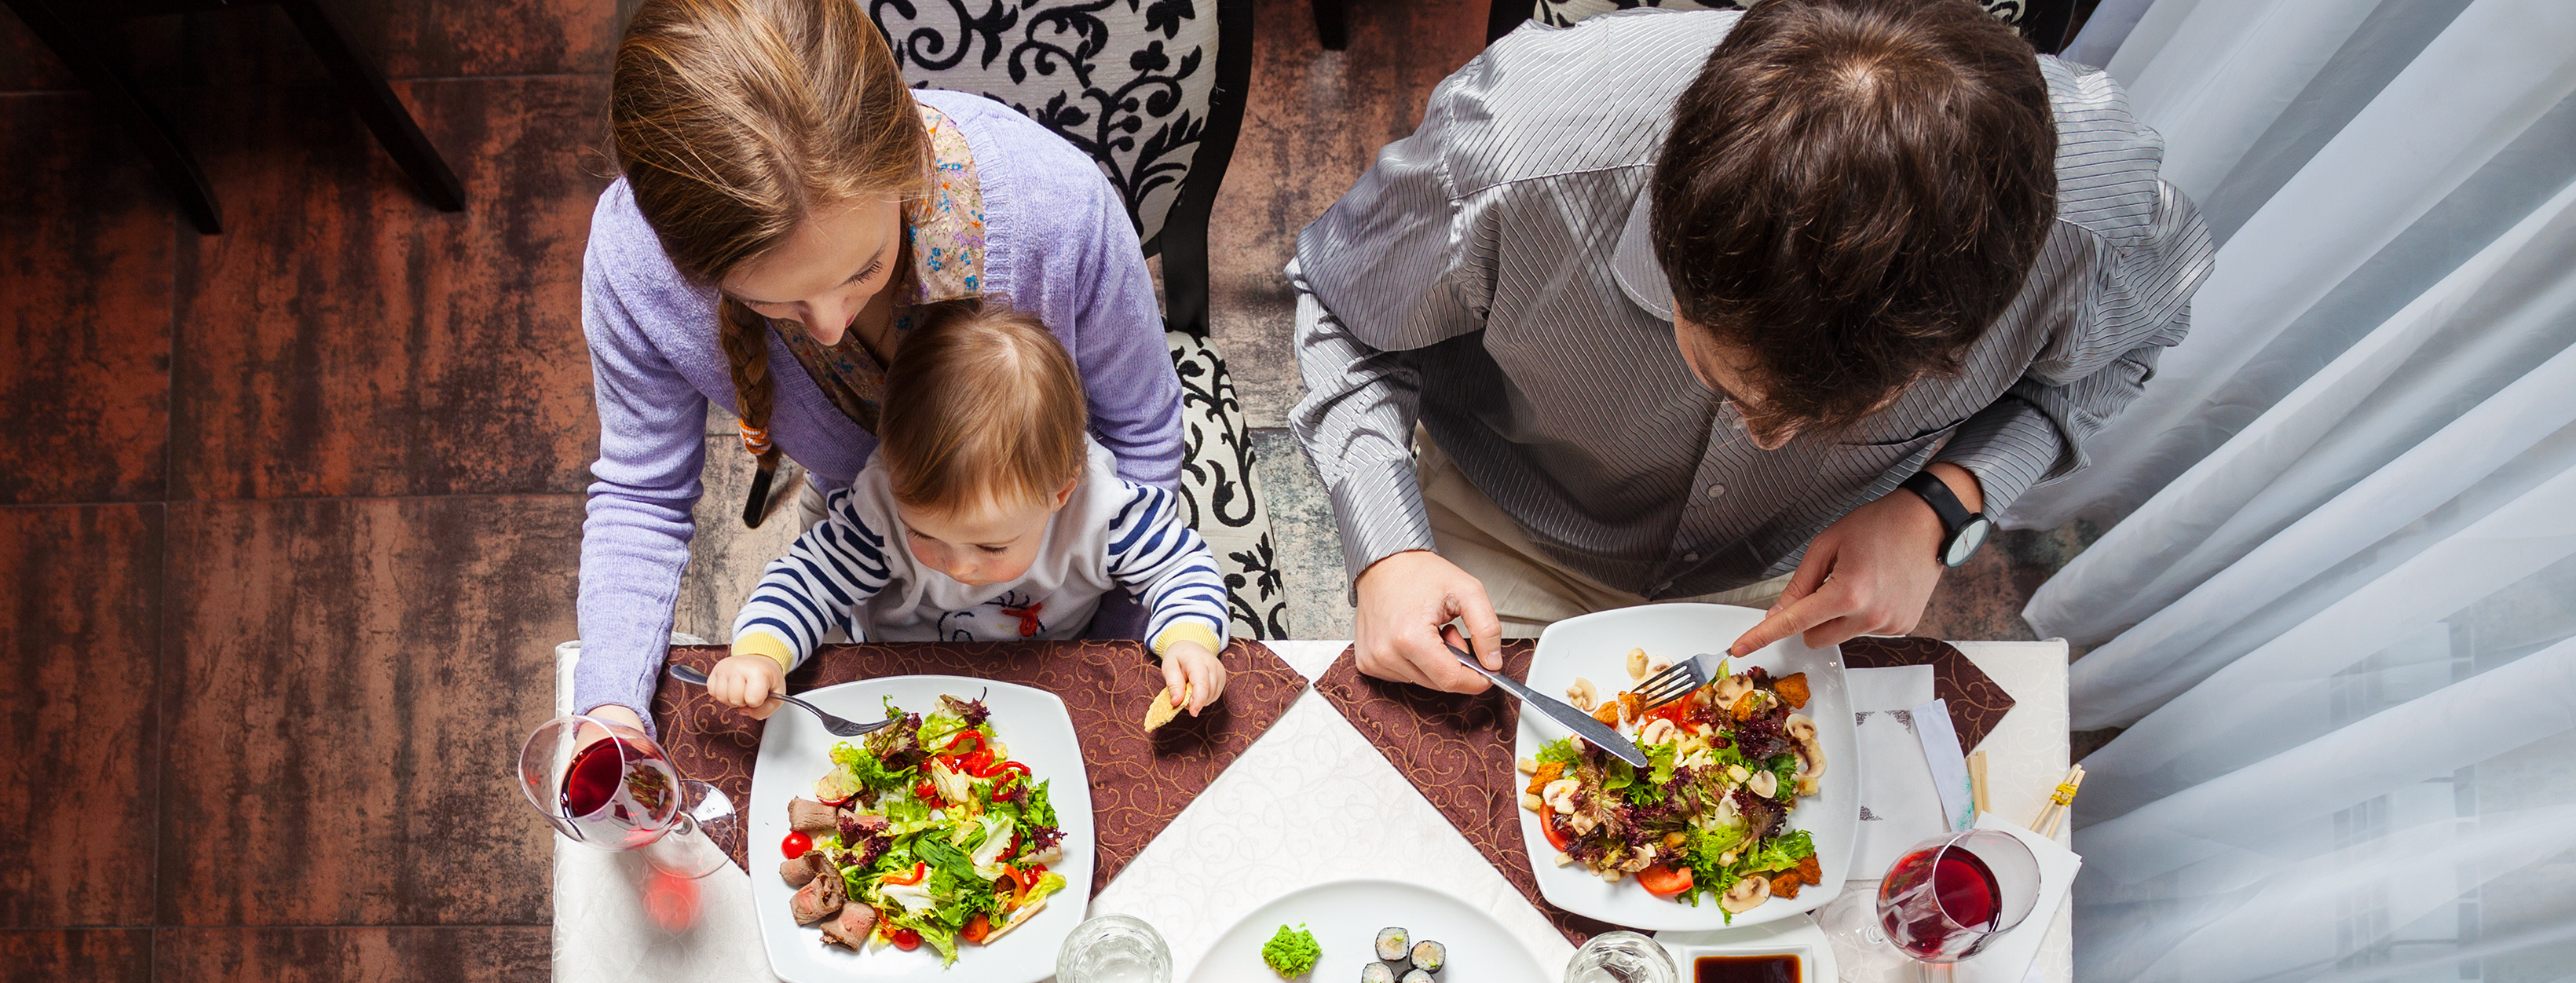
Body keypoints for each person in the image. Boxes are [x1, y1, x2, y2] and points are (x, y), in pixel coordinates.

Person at [1290, 0, 2213, 693]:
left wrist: (1941, 503)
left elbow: (2113, 362)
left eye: (1843, 417)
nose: (1771, 440)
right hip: (1504, 530)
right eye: (1724, 377)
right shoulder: (1515, 152)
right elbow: (1341, 312)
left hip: (1800, 578)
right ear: (1670, 237)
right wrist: (1388, 552)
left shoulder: (2098, 223)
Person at [576, 0, 1187, 733]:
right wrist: (608, 710)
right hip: (870, 560)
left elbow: (1141, 440)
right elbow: (642, 501)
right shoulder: (635, 269)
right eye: (775, 303)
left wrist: (1107, 669)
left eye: (865, 268)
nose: (830, 328)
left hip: (1065, 588)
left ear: (906, 163)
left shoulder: (1057, 206)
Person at [708, 301, 1231, 722]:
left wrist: (1190, 637)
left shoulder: (1102, 513)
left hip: (1043, 680)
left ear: (1060, 494)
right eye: (924, 534)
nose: (958, 566)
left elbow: (1182, 567)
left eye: (992, 546)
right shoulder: (883, 508)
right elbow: (807, 580)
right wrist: (760, 651)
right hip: (901, 684)